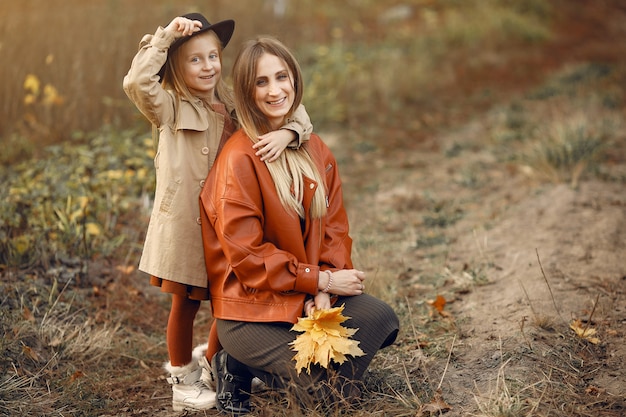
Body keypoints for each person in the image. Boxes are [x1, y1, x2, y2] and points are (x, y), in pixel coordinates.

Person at [199, 36, 399, 415]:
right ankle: (237, 363)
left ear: (295, 79)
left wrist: (325, 287)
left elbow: (335, 228)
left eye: (282, 77)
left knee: (380, 319)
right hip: (251, 310)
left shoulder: (315, 149)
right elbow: (248, 257)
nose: (276, 90)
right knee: (327, 398)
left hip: (303, 296)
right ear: (247, 90)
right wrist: (318, 281)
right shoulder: (240, 158)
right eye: (262, 82)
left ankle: (318, 375)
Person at [123, 14, 312, 412]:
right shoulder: (168, 107)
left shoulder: (230, 104)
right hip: (186, 227)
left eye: (213, 56)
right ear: (176, 65)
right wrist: (168, 37)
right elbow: (136, 82)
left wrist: (288, 133)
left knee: (229, 299)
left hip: (227, 223)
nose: (208, 66)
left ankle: (213, 364)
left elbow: (290, 108)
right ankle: (181, 378)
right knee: (187, 304)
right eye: (195, 59)